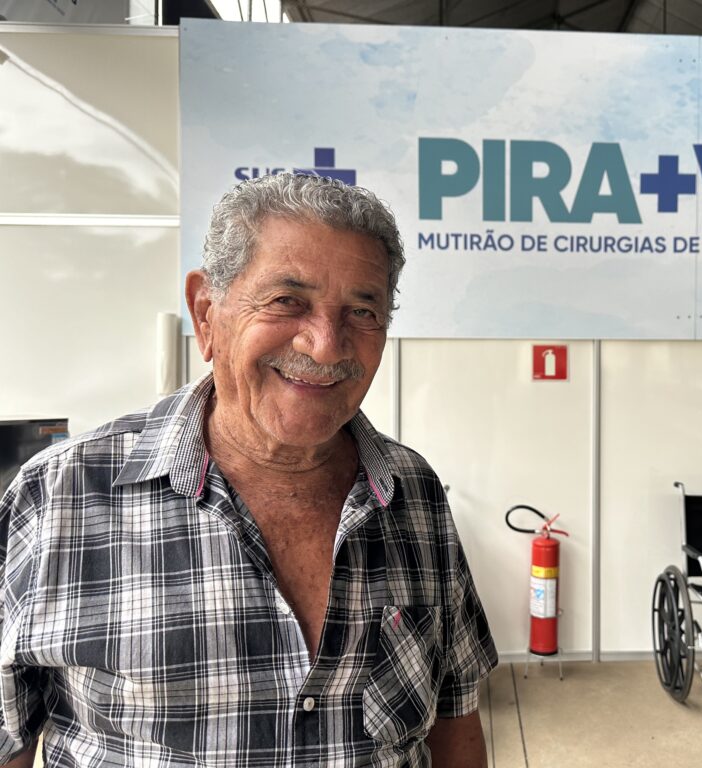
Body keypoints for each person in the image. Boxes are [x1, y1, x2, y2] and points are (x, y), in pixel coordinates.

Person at [0, 173, 498, 767]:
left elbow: (453, 723)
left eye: (361, 311)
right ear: (206, 314)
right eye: (288, 301)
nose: (325, 346)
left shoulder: (411, 493)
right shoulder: (59, 495)